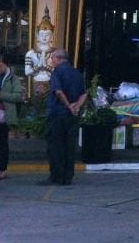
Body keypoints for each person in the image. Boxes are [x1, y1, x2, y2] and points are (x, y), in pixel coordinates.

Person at [40, 48, 87, 186]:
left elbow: (58, 92)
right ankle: (68, 176)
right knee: (69, 145)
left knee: (56, 146)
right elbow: (84, 93)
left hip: (58, 113)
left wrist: (68, 105)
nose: (51, 61)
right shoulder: (77, 73)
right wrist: (76, 106)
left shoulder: (57, 72)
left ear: (59, 58)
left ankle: (57, 175)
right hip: (72, 115)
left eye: (53, 58)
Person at [25, 11, 55, 96]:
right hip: (36, 81)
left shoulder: (56, 53)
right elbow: (27, 72)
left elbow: (59, 72)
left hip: (51, 82)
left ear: (52, 36)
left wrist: (47, 67)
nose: (44, 37)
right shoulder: (30, 53)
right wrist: (38, 67)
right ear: (37, 35)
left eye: (47, 34)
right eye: (42, 34)